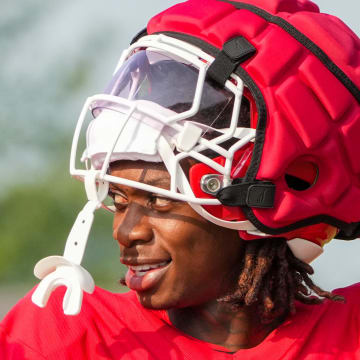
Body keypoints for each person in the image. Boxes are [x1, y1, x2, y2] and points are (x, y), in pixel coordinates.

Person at [1, 0, 360, 358]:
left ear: (263, 203)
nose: (125, 232)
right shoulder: (70, 333)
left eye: (157, 199)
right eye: (119, 201)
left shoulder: (348, 332)